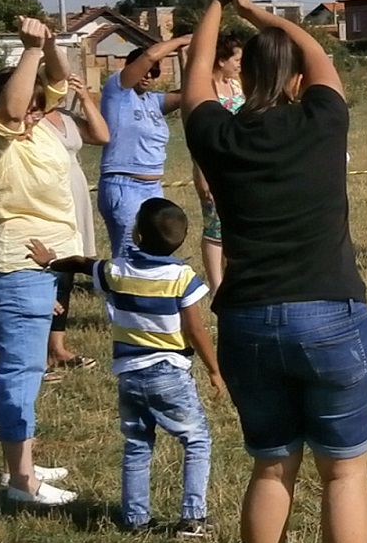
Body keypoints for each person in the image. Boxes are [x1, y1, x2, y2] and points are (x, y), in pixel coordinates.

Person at [182, 0, 367, 543]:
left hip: (248, 321)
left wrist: (213, 5)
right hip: (330, 316)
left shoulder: (218, 135)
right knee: (342, 470)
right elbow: (320, 54)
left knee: (271, 463)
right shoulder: (323, 121)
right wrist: (251, 6)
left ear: (244, 77)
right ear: (295, 82)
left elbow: (193, 79)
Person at [29, 197, 224, 537]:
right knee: (196, 441)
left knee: (137, 444)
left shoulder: (116, 270)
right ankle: (193, 518)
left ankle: (136, 520)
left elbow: (82, 263)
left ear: (137, 235)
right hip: (169, 373)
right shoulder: (182, 277)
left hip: (129, 376)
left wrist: (51, 262)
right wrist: (214, 369)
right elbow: (195, 329)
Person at [0, 16, 81, 508]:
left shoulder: (34, 130)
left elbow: (59, 82)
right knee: (21, 373)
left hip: (38, 268)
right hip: (11, 268)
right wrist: (28, 49)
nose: (36, 115)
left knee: (24, 371)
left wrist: (49, 46)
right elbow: (11, 111)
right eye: (30, 109)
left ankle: (23, 459)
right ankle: (20, 482)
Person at [98, 35, 193, 261]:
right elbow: (150, 56)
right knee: (128, 254)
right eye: (145, 69)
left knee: (153, 250)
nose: (149, 75)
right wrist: (180, 41)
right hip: (124, 185)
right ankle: (120, 293)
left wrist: (184, 55)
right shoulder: (117, 91)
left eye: (155, 72)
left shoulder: (153, 101)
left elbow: (190, 92)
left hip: (152, 187)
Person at [40, 75, 109, 374]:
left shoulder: (66, 117)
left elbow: (102, 135)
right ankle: (37, 350)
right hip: (48, 200)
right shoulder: (31, 119)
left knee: (65, 271)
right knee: (45, 271)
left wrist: (85, 100)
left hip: (75, 197)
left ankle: (57, 347)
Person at [193, 33, 247, 291]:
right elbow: (198, 130)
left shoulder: (237, 85)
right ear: (221, 60)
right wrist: (201, 171)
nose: (239, 64)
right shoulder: (205, 88)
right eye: (236, 59)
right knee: (214, 224)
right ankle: (216, 284)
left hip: (239, 163)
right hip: (213, 162)